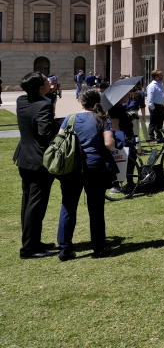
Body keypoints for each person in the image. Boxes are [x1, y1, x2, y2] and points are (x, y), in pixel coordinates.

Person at [56, 89, 117, 260]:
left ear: (81, 102)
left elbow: (60, 140)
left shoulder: (70, 118)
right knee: (96, 209)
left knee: (68, 207)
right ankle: (98, 247)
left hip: (72, 167)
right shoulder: (102, 118)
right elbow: (109, 143)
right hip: (95, 167)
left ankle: (65, 249)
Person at [14, 71, 58, 259]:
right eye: (46, 80)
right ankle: (29, 249)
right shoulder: (43, 106)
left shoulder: (21, 101)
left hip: (24, 158)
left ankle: (32, 241)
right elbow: (45, 132)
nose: (49, 81)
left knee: (28, 202)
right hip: (39, 161)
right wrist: (62, 125)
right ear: (41, 87)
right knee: (36, 205)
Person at [145, 70, 164, 142]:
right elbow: (150, 98)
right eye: (160, 75)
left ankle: (159, 137)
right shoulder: (152, 86)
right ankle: (151, 137)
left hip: (161, 106)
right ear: (156, 77)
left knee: (160, 122)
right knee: (153, 122)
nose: (162, 77)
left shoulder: (161, 84)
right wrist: (152, 108)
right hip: (155, 106)